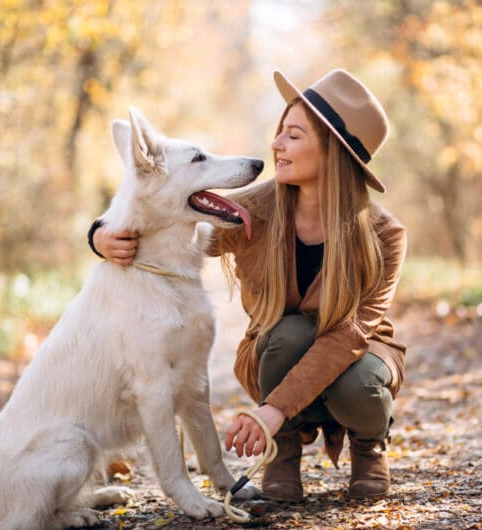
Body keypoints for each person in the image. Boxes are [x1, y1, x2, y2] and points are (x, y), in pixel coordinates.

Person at [89, 69, 407, 501]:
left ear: (333, 151)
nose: (276, 144)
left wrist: (271, 410)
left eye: (292, 135)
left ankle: (368, 446)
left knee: (362, 382)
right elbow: (163, 212)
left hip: (356, 357)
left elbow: (350, 336)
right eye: (280, 132)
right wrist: (100, 234)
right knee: (287, 334)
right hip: (278, 354)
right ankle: (285, 450)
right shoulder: (252, 209)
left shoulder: (385, 235)